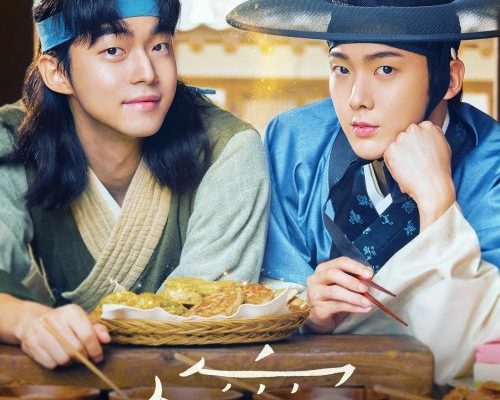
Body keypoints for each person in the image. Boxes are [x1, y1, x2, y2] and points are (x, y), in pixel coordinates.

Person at [227, 0, 499, 384]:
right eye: (341, 69)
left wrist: (436, 197)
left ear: (449, 78)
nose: (356, 98)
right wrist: (307, 311)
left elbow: (472, 350)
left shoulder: (492, 160)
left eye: (385, 69)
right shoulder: (295, 141)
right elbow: (265, 291)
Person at [0, 0, 269, 369]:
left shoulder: (226, 148)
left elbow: (202, 316)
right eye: (114, 50)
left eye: (160, 46)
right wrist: (27, 320)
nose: (147, 73)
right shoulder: (11, 140)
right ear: (57, 72)